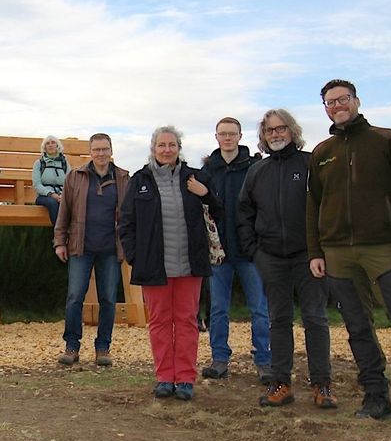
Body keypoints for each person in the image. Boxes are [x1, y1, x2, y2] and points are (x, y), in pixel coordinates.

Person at [307, 79, 391, 426]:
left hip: (385, 249)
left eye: (342, 99)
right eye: (330, 102)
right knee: (357, 327)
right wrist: (315, 251)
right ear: (325, 108)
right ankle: (375, 396)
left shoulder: (387, 140)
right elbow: (313, 206)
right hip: (338, 252)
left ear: (356, 101)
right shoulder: (323, 152)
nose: (337, 105)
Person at [236, 109, 336, 409]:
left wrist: (323, 248)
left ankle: (322, 385)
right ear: (263, 136)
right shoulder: (257, 171)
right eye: (269, 131)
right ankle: (280, 383)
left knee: (315, 319)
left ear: (292, 131)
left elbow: (327, 207)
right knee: (278, 320)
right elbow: (244, 212)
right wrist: (254, 251)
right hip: (270, 257)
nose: (276, 135)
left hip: (309, 256)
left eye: (281, 129)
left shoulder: (310, 164)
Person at [119, 126, 219, 401]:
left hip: (190, 264)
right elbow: (126, 222)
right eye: (161, 145)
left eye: (171, 145)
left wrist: (205, 193)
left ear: (179, 148)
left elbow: (217, 208)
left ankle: (185, 378)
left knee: (187, 322)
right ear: (153, 149)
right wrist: (135, 257)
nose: (166, 150)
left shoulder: (195, 178)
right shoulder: (140, 180)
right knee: (159, 322)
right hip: (154, 267)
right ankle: (164, 377)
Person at [200, 117, 271, 383]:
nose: (227, 138)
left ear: (240, 136)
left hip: (249, 250)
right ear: (216, 137)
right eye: (222, 134)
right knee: (218, 309)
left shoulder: (255, 167)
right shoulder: (207, 171)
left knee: (260, 309)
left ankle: (264, 359)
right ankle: (219, 359)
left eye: (232, 133)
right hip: (218, 252)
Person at [54, 134, 129, 367]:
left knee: (108, 299)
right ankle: (72, 346)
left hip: (110, 248)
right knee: (75, 297)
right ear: (90, 151)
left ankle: (103, 348)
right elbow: (63, 211)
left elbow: (130, 215)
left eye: (105, 149)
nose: (101, 154)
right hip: (80, 246)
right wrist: (60, 242)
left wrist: (130, 244)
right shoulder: (75, 177)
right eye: (96, 149)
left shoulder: (124, 178)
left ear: (111, 150)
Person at [33, 135, 69, 226]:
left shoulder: (65, 163)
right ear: (44, 147)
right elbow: (37, 185)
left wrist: (62, 195)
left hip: (62, 195)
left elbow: (70, 183)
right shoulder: (39, 163)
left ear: (57, 146)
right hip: (44, 196)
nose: (50, 145)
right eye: (47, 143)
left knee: (71, 204)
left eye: (53, 143)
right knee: (52, 203)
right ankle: (59, 235)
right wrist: (51, 194)